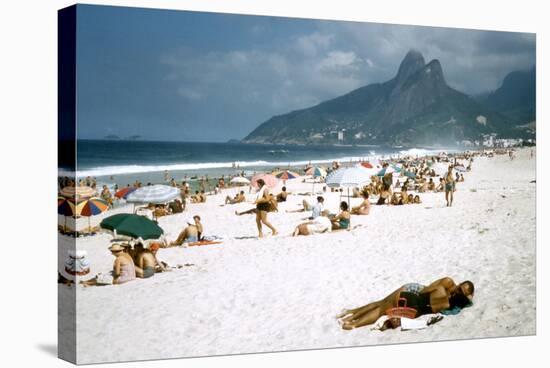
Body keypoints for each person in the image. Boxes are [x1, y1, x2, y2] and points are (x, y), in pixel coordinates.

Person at [337, 277, 475, 330]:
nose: (458, 292)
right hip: (415, 289)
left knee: (382, 305)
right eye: (459, 289)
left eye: (461, 293)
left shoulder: (454, 302)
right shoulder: (448, 283)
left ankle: (352, 318)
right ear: (459, 284)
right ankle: (351, 315)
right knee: (382, 304)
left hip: (417, 296)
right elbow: (426, 289)